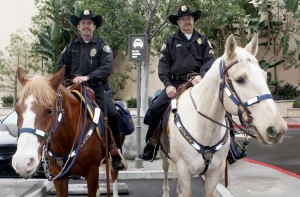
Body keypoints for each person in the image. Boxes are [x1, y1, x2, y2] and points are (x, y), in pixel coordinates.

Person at [139, 5, 215, 161]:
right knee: (155, 109)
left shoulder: (203, 40)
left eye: (189, 18)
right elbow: (163, 65)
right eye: (183, 19)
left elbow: (209, 61)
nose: (186, 21)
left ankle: (231, 147)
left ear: (193, 20)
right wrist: (167, 85)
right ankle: (151, 145)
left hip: (198, 83)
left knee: (220, 106)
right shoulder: (170, 41)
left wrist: (202, 76)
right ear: (178, 22)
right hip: (175, 83)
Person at [56, 9, 125, 170]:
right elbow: (60, 67)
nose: (86, 26)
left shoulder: (103, 46)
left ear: (94, 27)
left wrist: (87, 77)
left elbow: (106, 68)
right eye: (83, 23)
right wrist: (68, 81)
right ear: (78, 27)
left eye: (89, 23)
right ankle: (58, 155)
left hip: (95, 88)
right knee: (55, 114)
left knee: (113, 115)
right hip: (72, 88)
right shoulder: (70, 47)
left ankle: (116, 153)